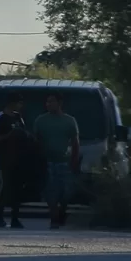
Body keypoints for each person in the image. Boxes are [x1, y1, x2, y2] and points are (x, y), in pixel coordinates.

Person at [34, 92, 80, 229]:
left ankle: (62, 211)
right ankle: (54, 217)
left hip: (64, 162)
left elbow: (75, 142)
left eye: (52, 102)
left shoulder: (69, 121)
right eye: (47, 102)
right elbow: (36, 141)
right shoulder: (40, 120)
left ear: (60, 103)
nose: (48, 104)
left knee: (65, 192)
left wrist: (74, 160)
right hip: (47, 162)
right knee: (50, 191)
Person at [0, 92, 29, 229]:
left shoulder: (18, 117)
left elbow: (24, 133)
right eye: (19, 103)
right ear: (12, 103)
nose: (20, 106)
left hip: (19, 158)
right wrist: (9, 135)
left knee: (17, 189)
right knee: (6, 187)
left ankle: (15, 218)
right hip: (6, 158)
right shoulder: (0, 117)